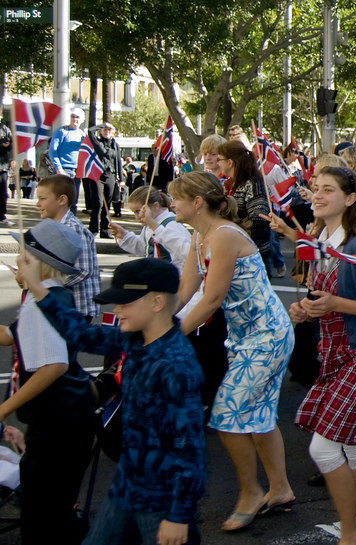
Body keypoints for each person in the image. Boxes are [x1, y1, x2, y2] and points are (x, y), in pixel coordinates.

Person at [26, 257, 206, 545]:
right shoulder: (135, 339)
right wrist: (37, 287)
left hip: (159, 499)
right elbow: (81, 334)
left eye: (125, 302)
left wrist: (178, 515)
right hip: (127, 485)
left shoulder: (176, 366)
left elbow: (189, 448)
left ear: (157, 303)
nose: (116, 310)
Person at [171, 171, 295, 532]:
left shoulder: (224, 236)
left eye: (176, 198)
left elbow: (211, 299)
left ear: (197, 203)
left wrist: (170, 336)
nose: (171, 204)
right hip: (244, 338)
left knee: (227, 415)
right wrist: (159, 322)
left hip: (267, 336)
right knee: (258, 416)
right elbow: (186, 290)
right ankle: (280, 489)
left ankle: (251, 493)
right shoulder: (200, 235)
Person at [288, 166, 356, 545]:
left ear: (350, 198)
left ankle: (351, 533)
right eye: (315, 189)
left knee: (322, 448)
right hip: (335, 353)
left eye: (328, 190)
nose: (317, 195)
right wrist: (304, 308)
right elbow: (324, 299)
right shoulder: (323, 240)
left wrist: (337, 303)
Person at [0, 220, 96, 545]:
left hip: (59, 425)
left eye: (23, 255)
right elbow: (11, 336)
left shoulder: (41, 307)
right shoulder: (45, 297)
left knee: (44, 519)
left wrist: (4, 408)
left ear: (37, 262)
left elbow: (53, 365)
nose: (17, 259)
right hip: (65, 420)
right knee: (51, 511)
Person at [35, 175, 101, 321]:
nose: (37, 204)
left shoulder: (74, 229)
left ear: (61, 200)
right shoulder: (52, 227)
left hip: (77, 308)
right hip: (61, 305)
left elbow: (84, 270)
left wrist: (48, 283)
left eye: (42, 198)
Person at [216, 140, 273, 268]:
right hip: (237, 250)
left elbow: (260, 220)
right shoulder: (231, 184)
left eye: (219, 159)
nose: (217, 163)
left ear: (230, 162)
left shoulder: (253, 184)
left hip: (252, 254)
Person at [109, 186, 192, 271]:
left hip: (171, 279)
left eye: (139, 211)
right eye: (134, 212)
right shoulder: (148, 226)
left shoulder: (171, 224)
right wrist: (124, 235)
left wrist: (153, 225)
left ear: (155, 205)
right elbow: (145, 248)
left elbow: (186, 254)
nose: (137, 217)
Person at [86, 123, 123, 236]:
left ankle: (105, 230)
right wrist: (102, 125)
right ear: (101, 131)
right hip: (97, 175)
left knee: (107, 203)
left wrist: (120, 178)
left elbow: (118, 161)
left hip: (110, 175)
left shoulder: (115, 145)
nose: (107, 131)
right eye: (105, 130)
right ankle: (93, 229)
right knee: (97, 203)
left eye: (109, 130)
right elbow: (90, 131)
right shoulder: (97, 142)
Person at [47, 108, 86, 210]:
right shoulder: (61, 131)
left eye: (77, 117)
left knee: (73, 200)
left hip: (77, 171)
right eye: (72, 116)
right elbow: (52, 150)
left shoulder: (82, 135)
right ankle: (58, 224)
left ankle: (70, 224)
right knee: (61, 199)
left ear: (82, 119)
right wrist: (58, 168)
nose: (74, 119)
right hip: (64, 170)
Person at [0, 112, 11, 225]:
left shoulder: (4, 129)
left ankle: (1, 214)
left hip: (2, 166)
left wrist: (7, 144)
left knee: (2, 191)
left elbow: (12, 144)